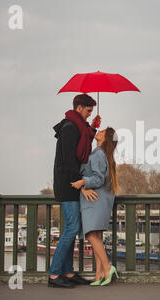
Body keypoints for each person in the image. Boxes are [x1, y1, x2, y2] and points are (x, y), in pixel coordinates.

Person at [49, 93, 101, 288]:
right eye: (88, 111)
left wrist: (93, 126)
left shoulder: (75, 126)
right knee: (72, 228)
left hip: (71, 183)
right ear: (79, 108)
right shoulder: (70, 128)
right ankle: (54, 275)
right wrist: (82, 184)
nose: (89, 114)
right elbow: (70, 161)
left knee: (73, 228)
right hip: (68, 184)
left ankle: (68, 272)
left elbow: (84, 143)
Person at [71, 127, 119, 286]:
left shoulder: (98, 154)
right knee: (96, 236)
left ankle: (107, 267)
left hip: (95, 200)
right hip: (102, 200)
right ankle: (99, 276)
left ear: (105, 138)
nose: (99, 131)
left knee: (91, 235)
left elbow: (98, 179)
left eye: (102, 131)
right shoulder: (104, 155)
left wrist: (83, 182)